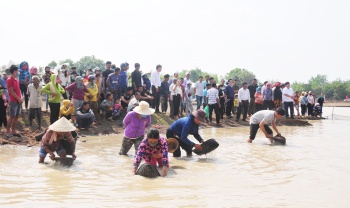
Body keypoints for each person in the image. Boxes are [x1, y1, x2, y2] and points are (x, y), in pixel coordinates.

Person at [6, 65, 23, 138]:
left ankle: (14, 131)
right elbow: (11, 91)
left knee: (16, 116)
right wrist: (18, 99)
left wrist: (21, 98)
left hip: (18, 100)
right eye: (16, 71)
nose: (17, 72)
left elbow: (19, 90)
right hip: (13, 101)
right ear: (14, 71)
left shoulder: (16, 80)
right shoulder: (9, 80)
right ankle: (7, 132)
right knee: (12, 116)